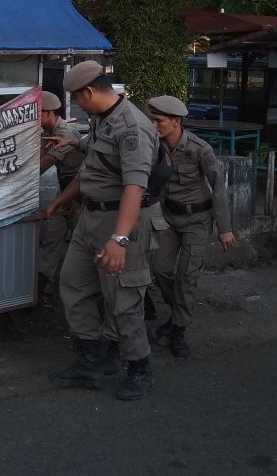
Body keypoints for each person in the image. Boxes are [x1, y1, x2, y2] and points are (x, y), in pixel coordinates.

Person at [42, 61, 160, 401]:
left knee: (123, 299)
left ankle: (140, 366)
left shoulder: (132, 127)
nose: (77, 104)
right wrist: (57, 202)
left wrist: (119, 240)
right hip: (89, 219)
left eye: (78, 98)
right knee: (73, 284)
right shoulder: (101, 120)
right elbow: (90, 173)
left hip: (120, 223)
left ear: (90, 92)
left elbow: (134, 189)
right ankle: (90, 362)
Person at [146, 95, 237, 358]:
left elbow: (218, 186)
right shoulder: (156, 146)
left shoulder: (200, 149)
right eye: (152, 119)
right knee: (161, 268)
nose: (154, 125)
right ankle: (177, 316)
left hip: (198, 220)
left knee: (187, 275)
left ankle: (179, 330)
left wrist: (225, 228)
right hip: (169, 217)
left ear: (176, 121)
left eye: (159, 120)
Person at [37, 90, 84, 305]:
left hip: (79, 198)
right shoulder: (47, 130)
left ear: (48, 113)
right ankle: (39, 292)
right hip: (64, 194)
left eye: (37, 113)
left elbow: (43, 164)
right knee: (51, 239)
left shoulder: (66, 132)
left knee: (85, 247)